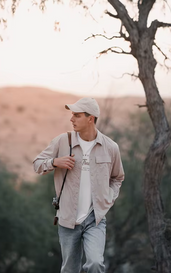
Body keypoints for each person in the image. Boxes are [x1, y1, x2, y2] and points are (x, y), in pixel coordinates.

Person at [33, 97, 124, 273]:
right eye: (72, 115)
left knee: (96, 263)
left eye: (77, 115)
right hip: (67, 218)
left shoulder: (111, 147)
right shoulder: (62, 141)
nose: (71, 119)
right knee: (70, 269)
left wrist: (109, 198)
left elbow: (117, 177)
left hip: (95, 219)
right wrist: (55, 162)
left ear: (91, 118)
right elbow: (37, 164)